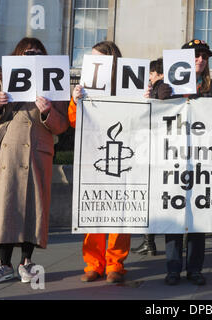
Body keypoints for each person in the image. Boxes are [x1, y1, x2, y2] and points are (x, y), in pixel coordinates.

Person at [0, 37, 69, 284]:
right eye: (28, 52)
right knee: (6, 207)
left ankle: (27, 263)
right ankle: (3, 263)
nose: (33, 56)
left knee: (34, 207)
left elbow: (62, 125)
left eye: (38, 53)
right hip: (9, 155)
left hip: (37, 154)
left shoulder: (54, 83)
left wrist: (48, 111)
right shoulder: (0, 81)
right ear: (18, 55)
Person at [68, 41, 131, 283]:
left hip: (121, 154)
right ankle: (94, 264)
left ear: (111, 62)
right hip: (93, 155)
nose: (92, 63)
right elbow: (74, 121)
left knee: (120, 212)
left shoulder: (127, 85)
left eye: (98, 58)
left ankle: (115, 264)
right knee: (94, 210)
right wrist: (75, 100)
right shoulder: (85, 87)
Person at [164, 39, 212, 286]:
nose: (200, 59)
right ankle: (173, 268)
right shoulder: (167, 86)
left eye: (204, 56)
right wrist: (160, 96)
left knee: (199, 214)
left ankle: (195, 268)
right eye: (196, 55)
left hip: (202, 159)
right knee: (173, 213)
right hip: (172, 158)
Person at [132, 58, 172, 256]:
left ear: (159, 74)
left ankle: (150, 242)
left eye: (151, 73)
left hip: (155, 149)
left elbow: (161, 108)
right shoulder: (159, 87)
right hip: (154, 148)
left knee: (152, 198)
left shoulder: (162, 87)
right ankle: (149, 241)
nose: (148, 77)